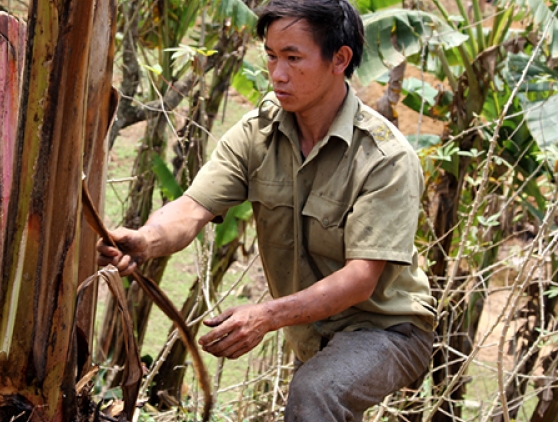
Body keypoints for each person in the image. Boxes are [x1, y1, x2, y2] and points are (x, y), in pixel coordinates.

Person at [98, 0, 437, 419]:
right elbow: (192, 208)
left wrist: (264, 316)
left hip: (388, 328)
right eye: (273, 57)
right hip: (313, 330)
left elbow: (359, 280)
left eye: (294, 58)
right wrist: (145, 240)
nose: (277, 74)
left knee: (315, 392)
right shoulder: (257, 133)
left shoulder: (386, 157)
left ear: (340, 59)